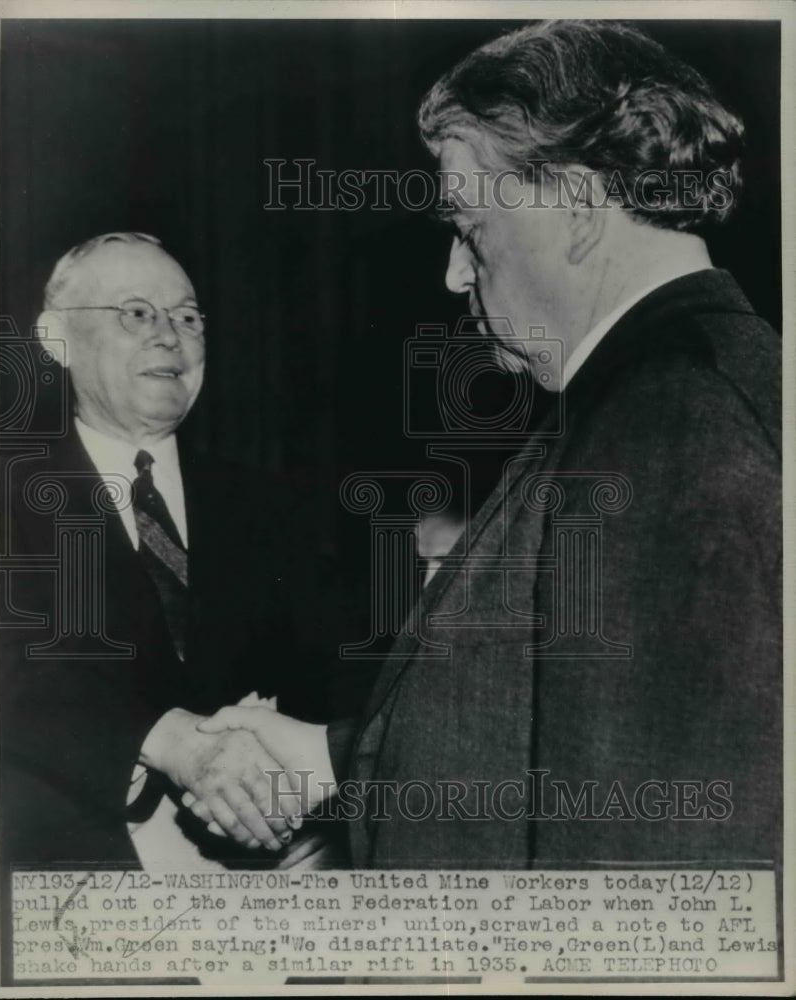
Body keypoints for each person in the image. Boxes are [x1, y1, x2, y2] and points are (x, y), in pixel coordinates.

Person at [183, 20, 782, 870]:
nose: (454, 274)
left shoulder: (676, 420)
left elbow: (651, 851)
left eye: (469, 228)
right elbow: (544, 728)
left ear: (575, 206)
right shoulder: (653, 389)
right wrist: (329, 756)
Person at [0, 232, 320, 870]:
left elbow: (343, 668)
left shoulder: (272, 504)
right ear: (56, 340)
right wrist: (172, 741)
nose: (170, 337)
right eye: (137, 313)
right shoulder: (1, 498)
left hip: (267, 879)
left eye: (188, 317)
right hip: (65, 878)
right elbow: (8, 676)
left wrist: (316, 823)